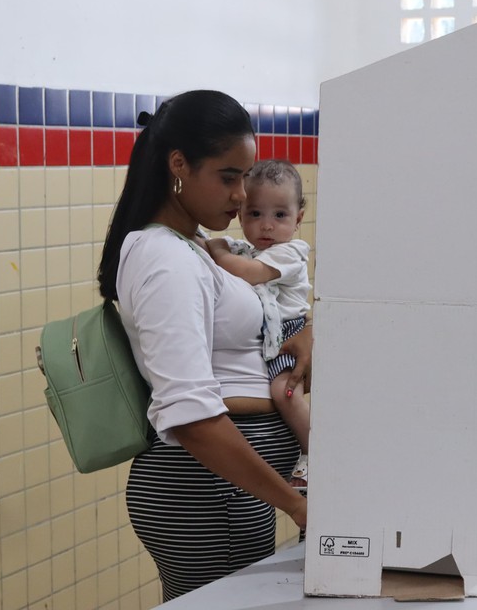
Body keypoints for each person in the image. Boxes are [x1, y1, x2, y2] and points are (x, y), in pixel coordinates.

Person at [97, 90, 310, 602]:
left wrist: (306, 333)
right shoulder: (164, 259)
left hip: (228, 493)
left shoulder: (195, 246)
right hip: (203, 492)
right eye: (228, 176)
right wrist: (301, 507)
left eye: (246, 176)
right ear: (179, 166)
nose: (242, 196)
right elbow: (190, 416)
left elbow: (261, 315)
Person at [205, 159, 312, 490]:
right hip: (274, 332)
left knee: (284, 392)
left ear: (298, 219)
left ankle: (314, 454)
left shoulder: (291, 253)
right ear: (240, 215)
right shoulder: (248, 250)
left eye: (279, 215)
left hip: (291, 330)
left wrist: (217, 251)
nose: (267, 225)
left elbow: (248, 272)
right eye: (255, 214)